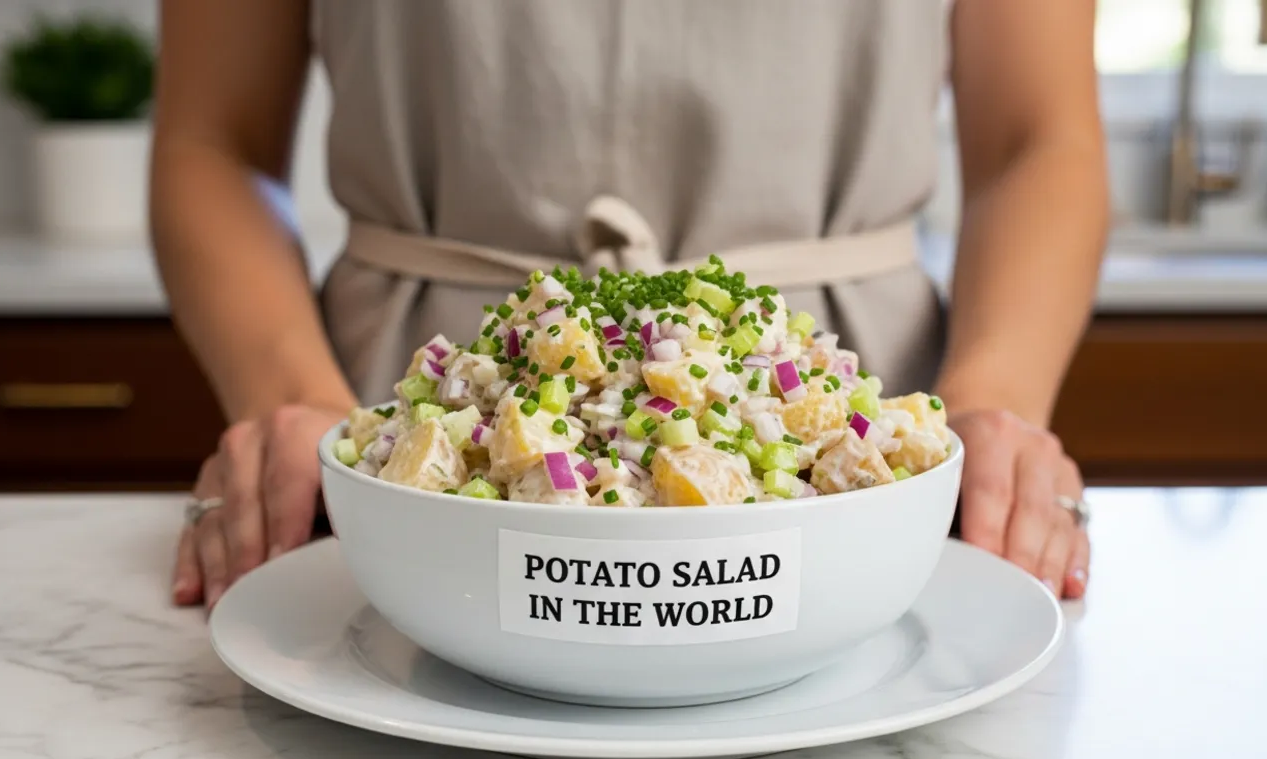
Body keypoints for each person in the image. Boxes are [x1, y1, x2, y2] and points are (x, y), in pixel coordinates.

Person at [152, 1, 1106, 609]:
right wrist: (288, 394)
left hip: (844, 439)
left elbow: (1037, 138)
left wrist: (995, 399)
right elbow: (213, 139)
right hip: (426, 421)